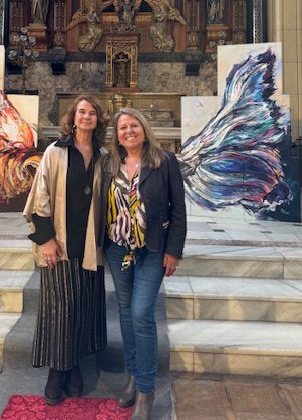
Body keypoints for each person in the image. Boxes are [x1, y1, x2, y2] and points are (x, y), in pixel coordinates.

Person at [23, 95, 109, 404]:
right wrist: (46, 239)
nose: (86, 116)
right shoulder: (55, 152)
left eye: (92, 113)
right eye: (81, 112)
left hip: (89, 246)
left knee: (82, 310)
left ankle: (73, 367)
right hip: (58, 244)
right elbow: (40, 196)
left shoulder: (102, 155)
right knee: (60, 311)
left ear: (98, 120)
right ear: (72, 118)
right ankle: (57, 372)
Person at [102, 108, 187, 420]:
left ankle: (146, 390)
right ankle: (134, 377)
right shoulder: (109, 163)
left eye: (133, 125)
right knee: (126, 315)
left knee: (140, 313)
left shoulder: (164, 161)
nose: (128, 131)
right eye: (122, 127)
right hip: (117, 249)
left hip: (151, 250)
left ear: (143, 128)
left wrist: (173, 251)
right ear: (117, 135)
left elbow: (178, 209)